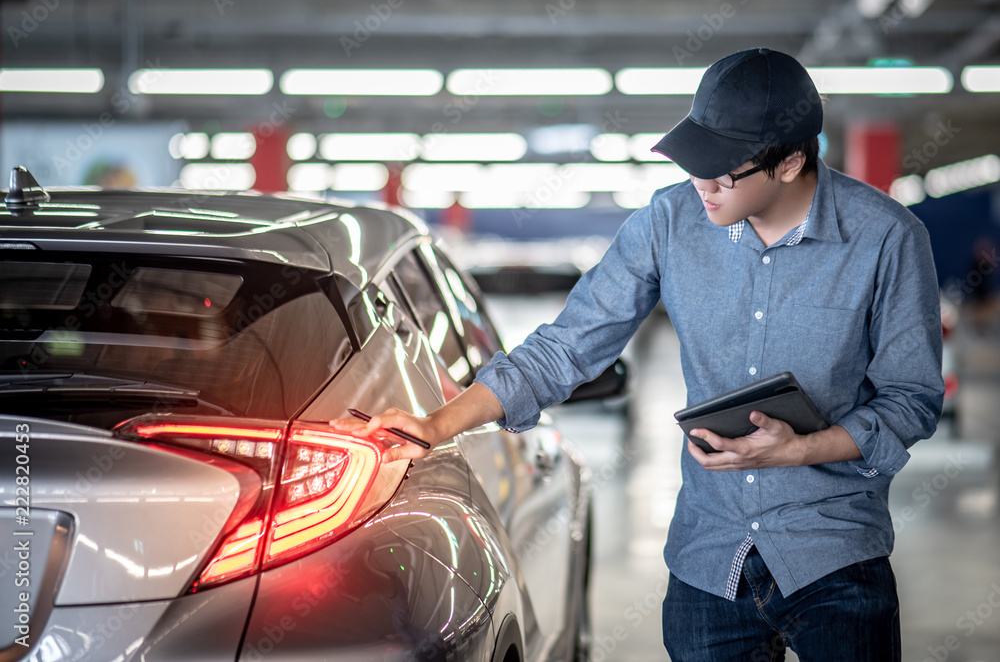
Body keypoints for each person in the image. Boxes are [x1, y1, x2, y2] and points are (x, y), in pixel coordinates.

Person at [331, 48, 944, 661]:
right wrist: (435, 425)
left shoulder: (886, 238)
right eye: (695, 163)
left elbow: (910, 400)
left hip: (834, 557)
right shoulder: (669, 222)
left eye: (723, 171)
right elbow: (567, 346)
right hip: (712, 559)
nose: (702, 185)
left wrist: (804, 448)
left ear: (788, 163)